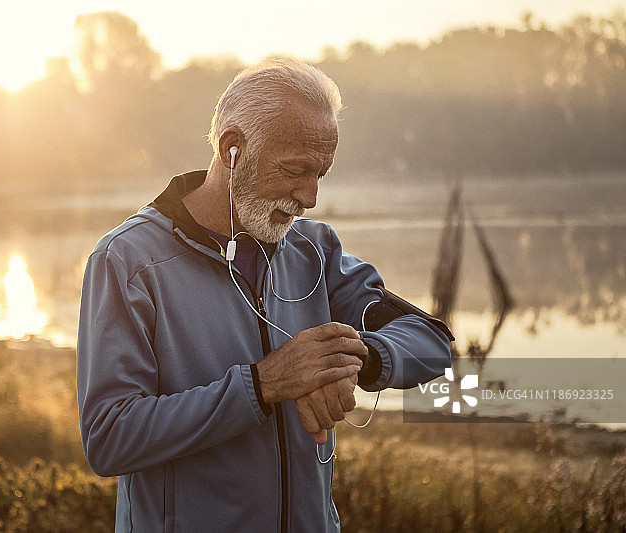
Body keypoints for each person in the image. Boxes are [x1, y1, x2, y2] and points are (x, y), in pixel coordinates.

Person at [77, 59, 452, 532]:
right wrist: (261, 386)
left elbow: (432, 341)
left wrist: (354, 360)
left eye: (322, 174)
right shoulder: (126, 262)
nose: (311, 197)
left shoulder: (313, 250)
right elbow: (111, 437)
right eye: (296, 170)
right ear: (232, 148)